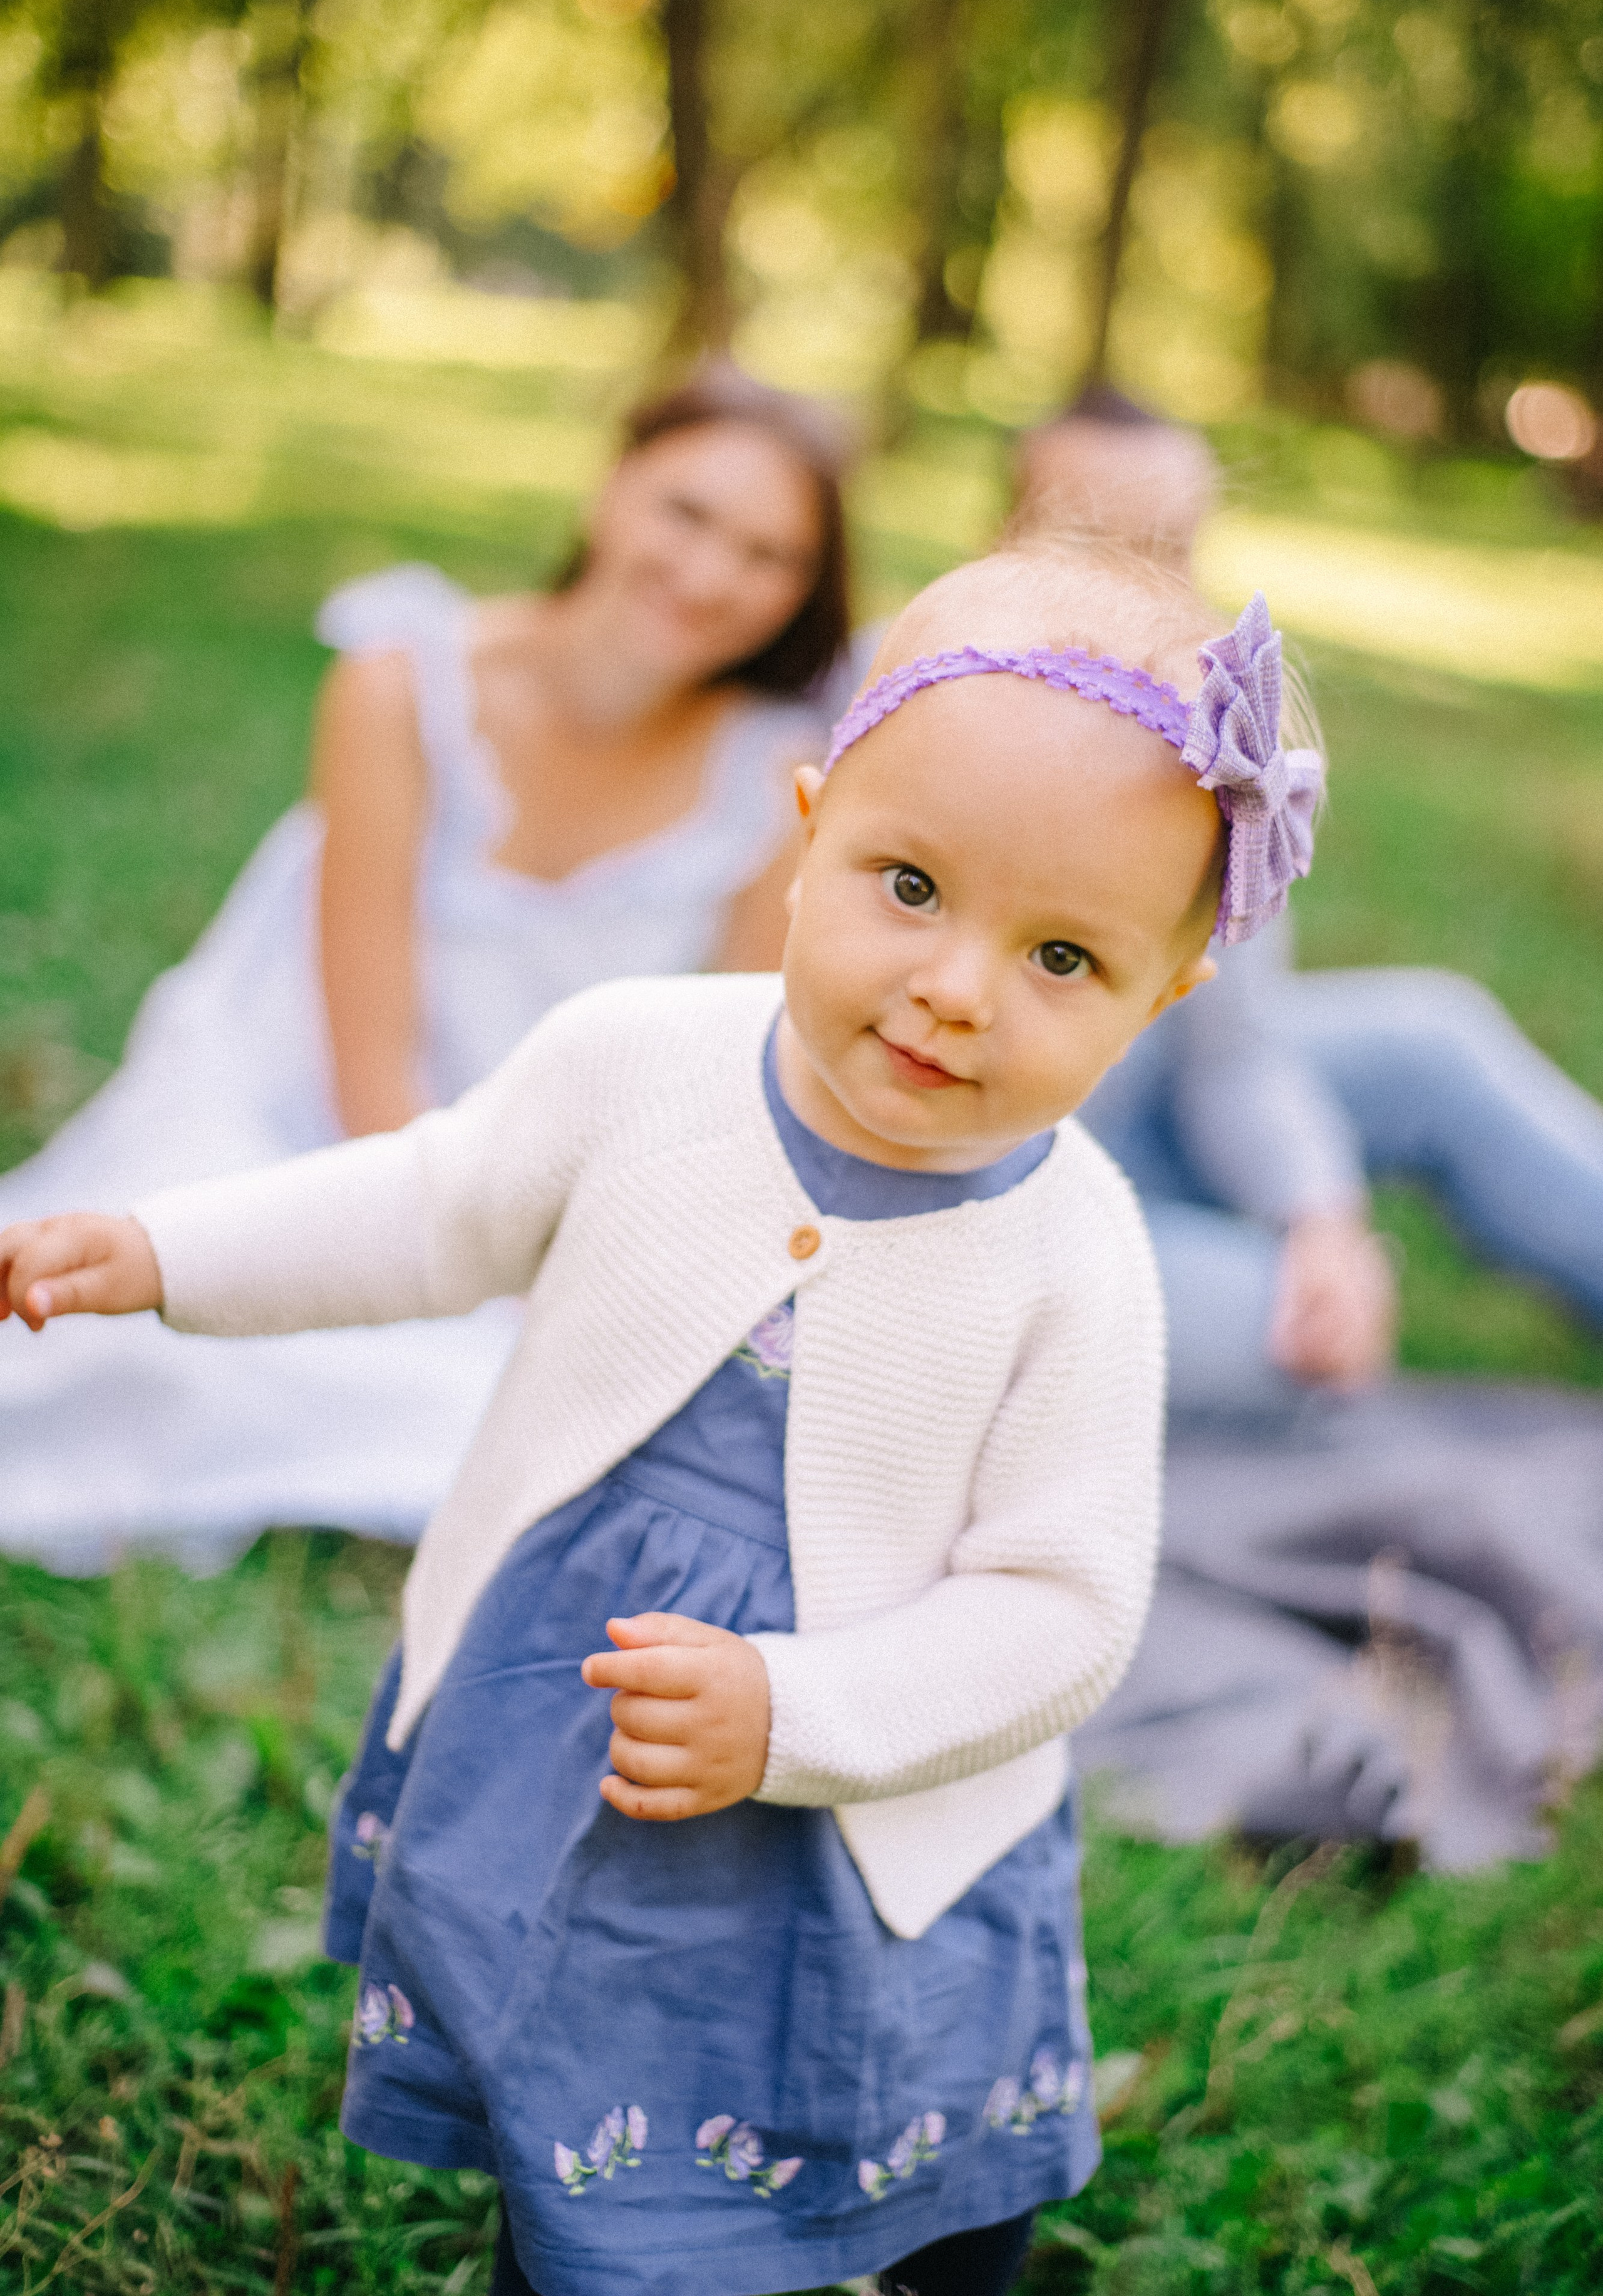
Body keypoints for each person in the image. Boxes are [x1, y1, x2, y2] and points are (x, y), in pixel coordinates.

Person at [0, 544, 1319, 2295]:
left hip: (876, 1804)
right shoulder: (635, 1057)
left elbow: (1065, 1611)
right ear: (808, 826)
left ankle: (927, 2246)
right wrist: (170, 1248)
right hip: (584, 1710)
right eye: (910, 885)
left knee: (912, 2133)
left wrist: (798, 1706)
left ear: (1166, 997)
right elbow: (425, 1204)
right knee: (590, 2078)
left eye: (1064, 955)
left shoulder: (1078, 1254)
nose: (955, 988)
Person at [0, 367, 852, 1571]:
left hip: (544, 1169)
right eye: (687, 513)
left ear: (807, 594)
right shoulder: (402, 678)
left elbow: (710, 1085)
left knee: (621, 1421)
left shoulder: (776, 776)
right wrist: (469, 1266)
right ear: (613, 486)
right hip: (304, 1121)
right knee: (144, 1339)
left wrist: (573, 1264)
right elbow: (366, 1074)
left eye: (770, 556)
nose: (712, 576)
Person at [1019, 388, 1603, 1415]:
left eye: (1178, 546)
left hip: (1139, 1106)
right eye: (1105, 544)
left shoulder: (1193, 723)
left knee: (1434, 1037)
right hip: (1003, 1190)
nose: (1153, 583)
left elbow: (1235, 1049)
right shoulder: (921, 703)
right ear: (1008, 536)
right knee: (1289, 1339)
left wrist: (1320, 1218)